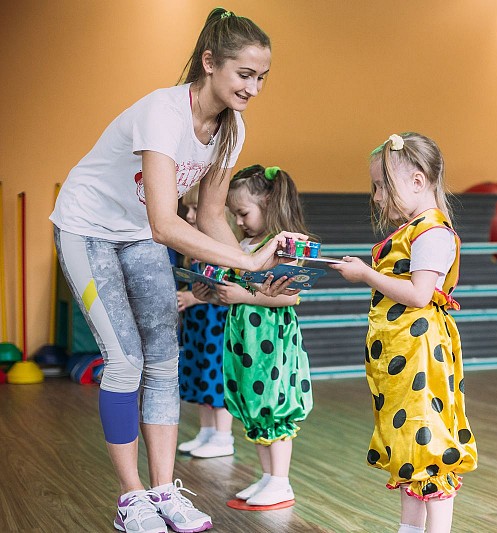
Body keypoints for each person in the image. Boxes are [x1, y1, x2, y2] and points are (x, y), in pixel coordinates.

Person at [49, 8, 305, 533]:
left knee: (165, 361)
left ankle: (164, 491)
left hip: (138, 233)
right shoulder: (161, 113)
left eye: (262, 77)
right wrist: (247, 259)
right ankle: (131, 498)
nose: (254, 88)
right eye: (244, 74)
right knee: (126, 362)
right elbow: (166, 223)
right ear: (210, 63)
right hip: (87, 228)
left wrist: (257, 275)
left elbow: (210, 215)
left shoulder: (232, 128)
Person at [331, 133, 478, 533]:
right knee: (409, 442)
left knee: (429, 443)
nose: (378, 197)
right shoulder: (414, 230)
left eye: (382, 186)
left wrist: (366, 274)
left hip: (420, 354)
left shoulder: (431, 232)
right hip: (404, 355)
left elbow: (418, 294)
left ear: (417, 181)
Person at [193, 164, 314, 508]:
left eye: (243, 213)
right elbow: (235, 290)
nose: (238, 221)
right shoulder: (242, 245)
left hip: (271, 341)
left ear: (268, 203)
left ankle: (281, 481)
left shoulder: (285, 246)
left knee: (274, 405)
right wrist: (211, 293)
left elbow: (290, 296)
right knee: (255, 406)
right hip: (246, 342)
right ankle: (268, 477)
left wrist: (244, 295)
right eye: (233, 214)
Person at [175, 186, 235, 459]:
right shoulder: (195, 252)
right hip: (199, 328)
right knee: (200, 374)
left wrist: (192, 298)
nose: (189, 216)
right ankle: (207, 431)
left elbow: (225, 291)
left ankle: (223, 437)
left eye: (196, 209)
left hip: (216, 328)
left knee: (216, 376)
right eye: (188, 209)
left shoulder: (223, 253)